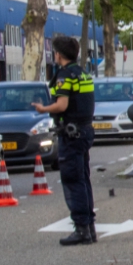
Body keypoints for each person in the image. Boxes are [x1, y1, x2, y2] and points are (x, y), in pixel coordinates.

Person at [33, 36, 96, 246]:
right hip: (85, 131)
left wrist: (43, 109)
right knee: (83, 178)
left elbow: (61, 105)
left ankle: (81, 229)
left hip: (72, 134)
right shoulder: (83, 73)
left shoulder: (65, 76)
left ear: (58, 54)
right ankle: (89, 227)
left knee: (72, 180)